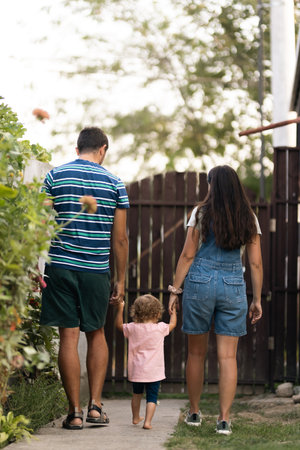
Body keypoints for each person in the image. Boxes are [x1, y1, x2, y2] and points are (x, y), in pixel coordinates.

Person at [40, 127, 129, 430]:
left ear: (77, 148)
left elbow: (40, 222)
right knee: (97, 333)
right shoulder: (115, 183)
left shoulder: (54, 177)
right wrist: (120, 279)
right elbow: (120, 240)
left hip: (61, 266)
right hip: (95, 270)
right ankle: (95, 407)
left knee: (68, 335)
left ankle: (74, 412)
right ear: (102, 148)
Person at [168, 165, 263, 435]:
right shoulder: (248, 216)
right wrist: (256, 299)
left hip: (200, 283)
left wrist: (175, 291)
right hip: (233, 286)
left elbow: (187, 255)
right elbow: (255, 264)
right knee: (228, 356)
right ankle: (223, 419)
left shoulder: (200, 212)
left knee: (196, 353)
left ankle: (195, 413)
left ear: (212, 185)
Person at [114, 294, 177, 429]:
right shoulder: (160, 328)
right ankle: (147, 422)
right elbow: (173, 324)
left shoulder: (132, 328)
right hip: (154, 372)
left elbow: (118, 325)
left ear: (135, 312)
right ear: (158, 313)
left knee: (137, 394)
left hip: (137, 370)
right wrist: (174, 311)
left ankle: (135, 417)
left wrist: (120, 308)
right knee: (152, 397)